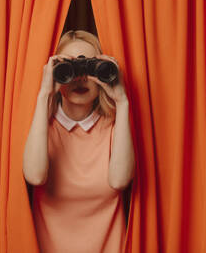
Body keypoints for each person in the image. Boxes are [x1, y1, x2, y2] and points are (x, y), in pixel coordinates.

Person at [23, 30, 135, 253]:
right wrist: (44, 93)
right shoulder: (42, 127)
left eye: (90, 67)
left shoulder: (113, 126)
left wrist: (122, 102)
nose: (80, 78)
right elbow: (35, 175)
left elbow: (120, 180)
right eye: (69, 68)